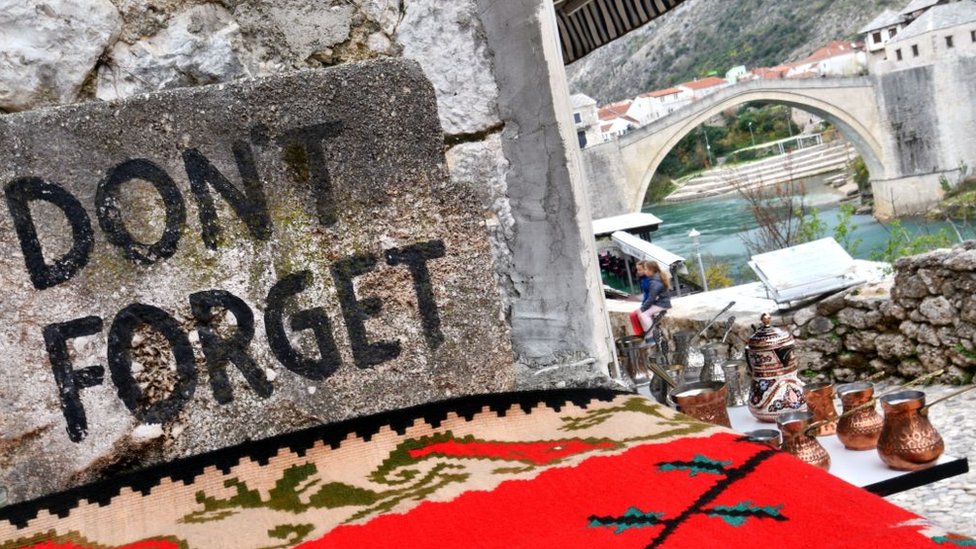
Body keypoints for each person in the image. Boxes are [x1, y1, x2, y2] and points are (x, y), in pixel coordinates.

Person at [637, 260, 672, 341]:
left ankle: (651, 337)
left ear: (651, 270)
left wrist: (642, 309)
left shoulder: (655, 282)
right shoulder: (655, 278)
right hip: (660, 302)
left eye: (645, 269)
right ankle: (650, 334)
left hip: (662, 304)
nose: (644, 271)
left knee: (643, 315)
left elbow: (651, 298)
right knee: (642, 314)